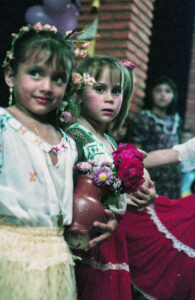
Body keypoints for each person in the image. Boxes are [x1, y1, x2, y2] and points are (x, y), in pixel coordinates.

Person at [0, 23, 79, 300]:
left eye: (58, 79)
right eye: (35, 73)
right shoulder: (3, 125)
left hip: (56, 257)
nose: (46, 87)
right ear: (11, 75)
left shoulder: (67, 142)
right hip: (8, 254)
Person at [67, 56, 156, 300]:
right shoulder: (75, 135)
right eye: (99, 88)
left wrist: (143, 191)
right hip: (85, 238)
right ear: (78, 92)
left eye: (117, 91)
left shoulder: (111, 142)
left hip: (109, 237)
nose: (110, 98)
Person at [130, 76, 182, 199]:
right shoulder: (144, 118)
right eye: (158, 90)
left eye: (167, 91)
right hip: (152, 174)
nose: (163, 94)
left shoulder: (176, 119)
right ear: (152, 94)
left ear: (174, 95)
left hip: (173, 177)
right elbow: (136, 150)